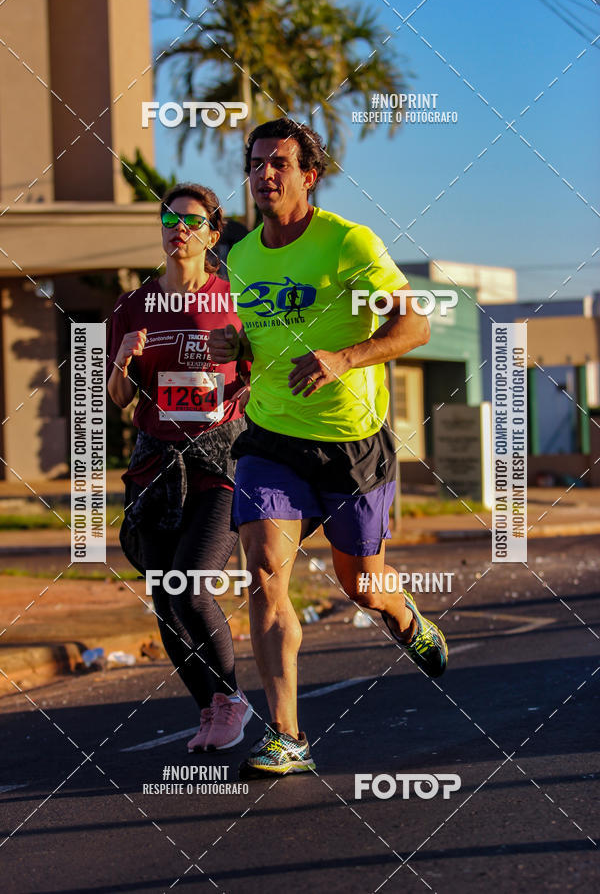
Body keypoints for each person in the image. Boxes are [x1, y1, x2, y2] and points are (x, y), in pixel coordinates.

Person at [209, 119, 448, 778]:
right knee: (263, 572)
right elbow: (261, 339)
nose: (265, 174)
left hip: (349, 442)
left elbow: (416, 325)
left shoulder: (349, 243)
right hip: (271, 439)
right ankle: (287, 735)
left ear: (309, 175)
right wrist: (238, 348)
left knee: (362, 586)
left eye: (280, 163)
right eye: (256, 163)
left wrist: (344, 357)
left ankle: (405, 616)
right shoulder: (243, 256)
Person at [108, 183, 252, 753]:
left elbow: (262, 375)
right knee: (166, 601)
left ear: (213, 233)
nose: (179, 230)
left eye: (192, 221)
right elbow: (119, 397)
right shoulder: (132, 305)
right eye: (170, 220)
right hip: (157, 466)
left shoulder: (236, 298)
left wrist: (242, 357)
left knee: (190, 587)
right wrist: (123, 361)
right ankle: (209, 708)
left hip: (220, 461)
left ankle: (233, 698)